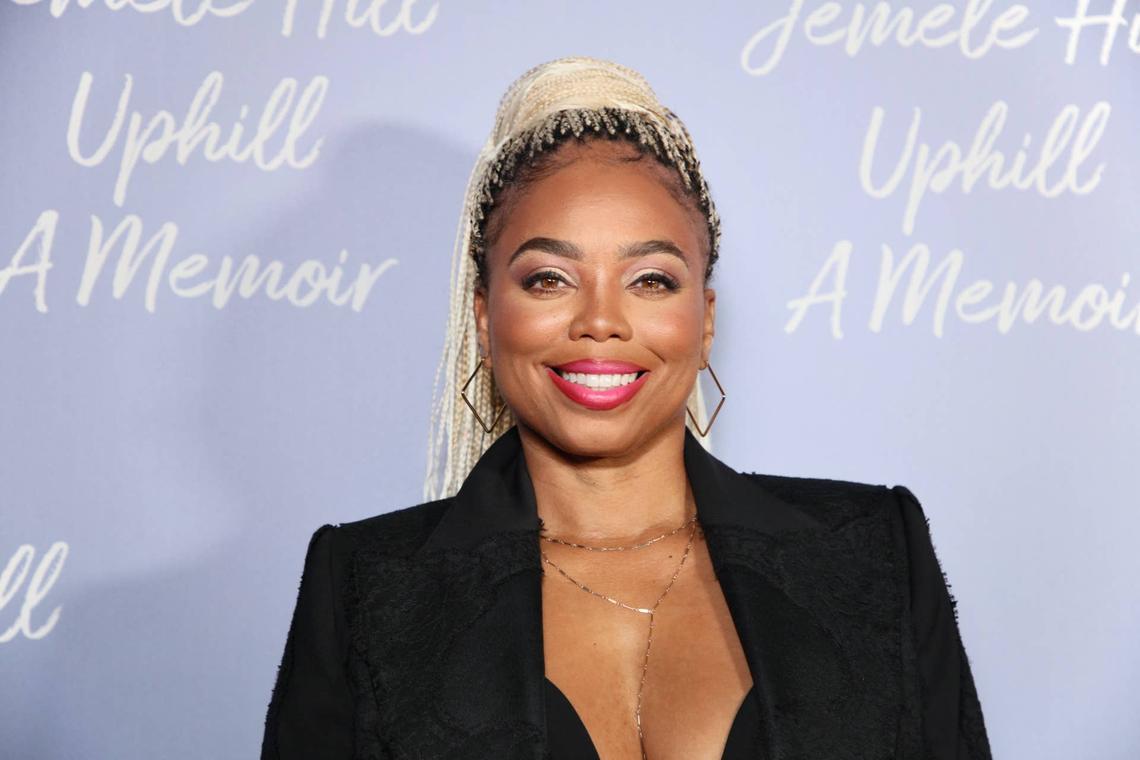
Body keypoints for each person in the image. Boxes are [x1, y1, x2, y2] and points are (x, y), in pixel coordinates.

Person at [261, 57, 993, 760]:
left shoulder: (874, 554)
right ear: (485, 319)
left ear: (704, 321)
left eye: (650, 279)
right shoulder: (363, 588)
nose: (601, 321)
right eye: (549, 278)